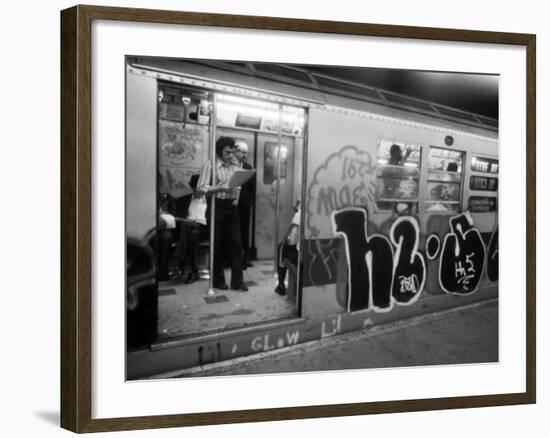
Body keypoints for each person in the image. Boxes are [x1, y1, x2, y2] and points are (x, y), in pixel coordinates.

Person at [197, 137, 248, 292]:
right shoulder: (211, 165)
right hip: (216, 206)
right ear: (220, 151)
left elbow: (237, 185)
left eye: (232, 152)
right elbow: (200, 188)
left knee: (236, 244)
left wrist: (236, 198)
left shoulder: (235, 164)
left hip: (231, 207)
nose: (230, 155)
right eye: (227, 152)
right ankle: (218, 281)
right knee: (217, 245)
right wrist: (219, 188)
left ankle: (237, 282)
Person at [234, 139, 256, 268]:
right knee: (233, 232)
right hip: (232, 203)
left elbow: (252, 187)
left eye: (247, 153)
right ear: (236, 152)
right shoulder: (230, 166)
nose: (245, 155)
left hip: (244, 203)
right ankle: (234, 258)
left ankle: (245, 257)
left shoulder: (248, 167)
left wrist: (250, 201)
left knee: (244, 230)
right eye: (243, 152)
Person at [275, 202, 300, 296]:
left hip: (298, 254)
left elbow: (291, 239)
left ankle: (281, 284)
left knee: (281, 248)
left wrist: (285, 239)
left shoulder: (299, 215)